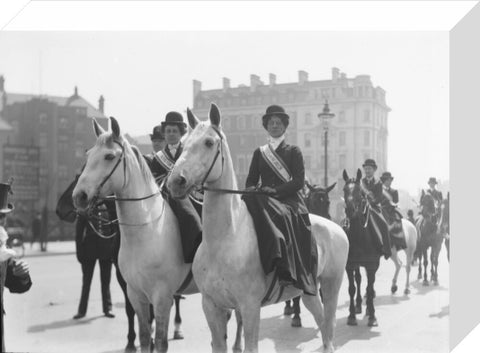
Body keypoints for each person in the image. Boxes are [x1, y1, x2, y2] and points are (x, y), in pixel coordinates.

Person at [243, 105, 317, 295]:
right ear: (266, 126)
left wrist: (275, 191)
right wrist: (255, 189)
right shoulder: (259, 152)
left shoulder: (294, 151)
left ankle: (285, 266)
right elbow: (251, 180)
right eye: (271, 123)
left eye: (278, 123)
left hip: (288, 199)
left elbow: (298, 182)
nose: (274, 126)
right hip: (263, 198)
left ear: (285, 127)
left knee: (281, 214)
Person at [148, 111, 202, 263]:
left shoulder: (188, 152)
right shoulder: (158, 158)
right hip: (165, 197)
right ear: (164, 134)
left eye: (174, 131)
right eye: (168, 131)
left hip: (190, 194)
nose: (171, 134)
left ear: (181, 133)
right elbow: (154, 180)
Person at [0, 182, 32, 352]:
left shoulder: (1, 248)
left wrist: (21, 275)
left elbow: (15, 283)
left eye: (3, 217)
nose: (2, 223)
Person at [73, 201, 116, 319]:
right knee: (86, 283)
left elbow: (112, 231)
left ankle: (108, 308)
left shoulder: (106, 208)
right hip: (89, 251)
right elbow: (78, 234)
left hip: (106, 250)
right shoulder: (84, 209)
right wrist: (80, 254)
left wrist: (112, 250)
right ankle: (82, 311)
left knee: (106, 282)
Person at [360, 159, 391, 259]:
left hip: (374, 208)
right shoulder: (361, 182)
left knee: (384, 224)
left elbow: (379, 197)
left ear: (374, 170)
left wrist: (371, 203)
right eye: (366, 169)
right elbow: (359, 195)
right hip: (362, 207)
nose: (367, 171)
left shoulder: (378, 183)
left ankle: (386, 249)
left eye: (369, 169)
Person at [380, 172, 406, 250]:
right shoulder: (379, 190)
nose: (390, 182)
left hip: (391, 211)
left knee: (398, 220)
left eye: (391, 180)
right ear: (384, 181)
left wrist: (393, 204)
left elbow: (396, 201)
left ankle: (399, 241)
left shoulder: (394, 191)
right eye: (389, 180)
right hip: (381, 210)